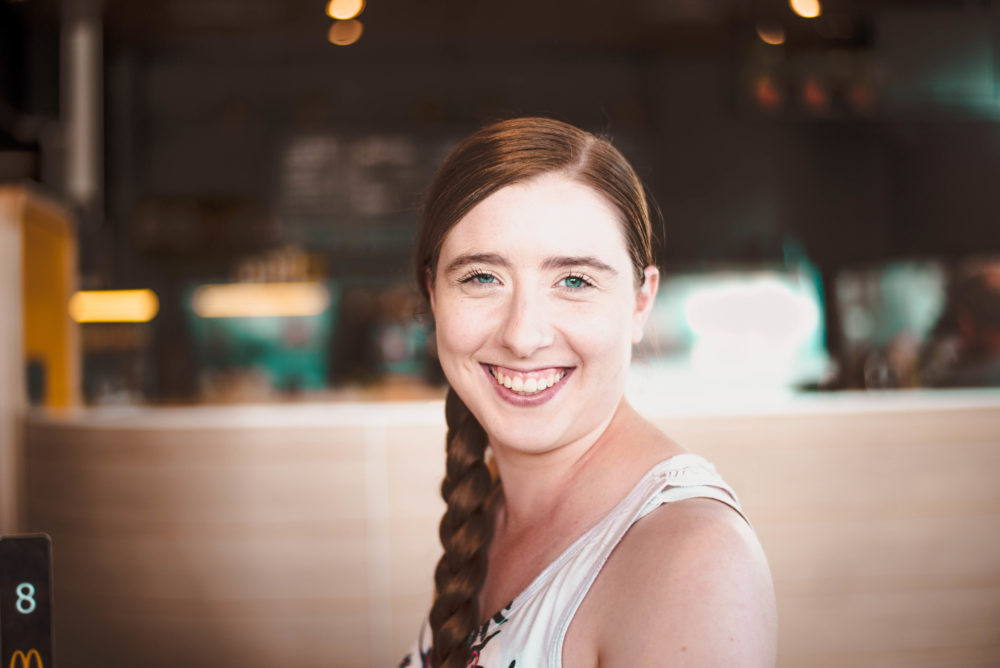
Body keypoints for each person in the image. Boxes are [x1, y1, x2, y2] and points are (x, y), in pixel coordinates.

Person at [400, 117, 777, 668]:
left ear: (641, 303)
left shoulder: (693, 559)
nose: (522, 336)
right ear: (434, 294)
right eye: (482, 277)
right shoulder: (492, 508)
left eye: (574, 281)